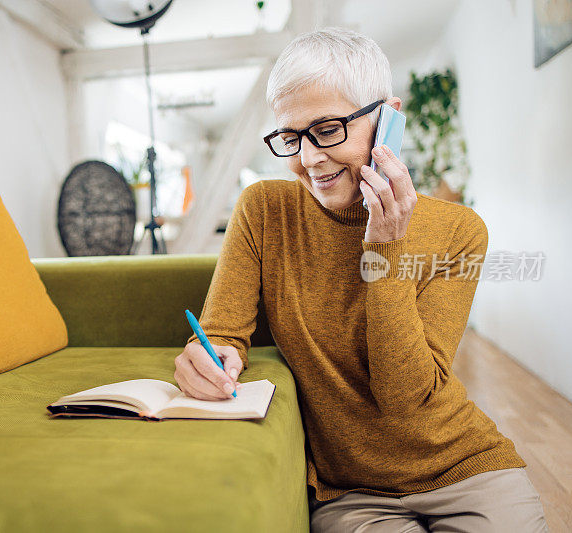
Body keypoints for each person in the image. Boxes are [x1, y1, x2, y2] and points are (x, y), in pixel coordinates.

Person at [173, 27, 550, 532]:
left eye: (328, 129)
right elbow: (222, 333)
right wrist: (213, 358)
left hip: (463, 467)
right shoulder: (264, 211)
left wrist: (385, 246)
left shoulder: (460, 231)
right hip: (349, 493)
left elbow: (405, 399)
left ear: (388, 117)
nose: (308, 159)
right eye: (291, 137)